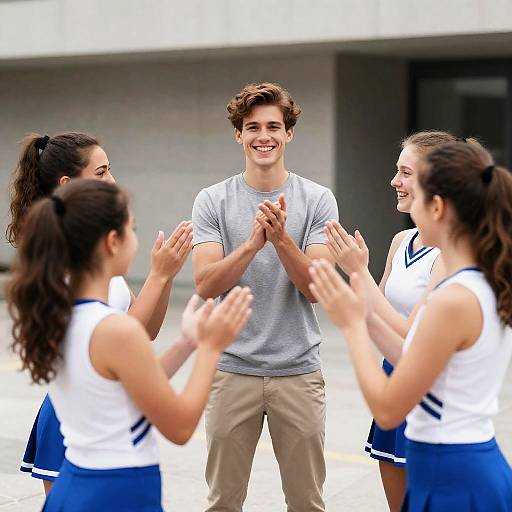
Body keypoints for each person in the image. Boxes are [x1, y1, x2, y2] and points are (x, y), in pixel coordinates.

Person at [8, 179, 253, 511]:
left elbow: (127, 384)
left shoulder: (60, 315)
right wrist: (211, 349)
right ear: (112, 242)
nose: (136, 240)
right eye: (132, 229)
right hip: (116, 492)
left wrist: (187, 343)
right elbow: (180, 427)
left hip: (76, 485)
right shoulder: (115, 330)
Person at [310, 141, 512, 511]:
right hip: (455, 466)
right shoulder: (473, 283)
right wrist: (359, 312)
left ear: (437, 207)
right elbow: (409, 354)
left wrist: (354, 326)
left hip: (455, 473)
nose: (404, 195)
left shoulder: (454, 299)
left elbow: (388, 409)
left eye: (415, 192)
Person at [8, 132, 192, 494]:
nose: (111, 180)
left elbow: (144, 331)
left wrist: (166, 276)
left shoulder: (95, 256)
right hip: (77, 417)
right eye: (101, 172)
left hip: (106, 411)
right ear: (68, 184)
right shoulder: (65, 262)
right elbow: (113, 339)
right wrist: (158, 274)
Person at [192, 82, 338, 512]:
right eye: (252, 127)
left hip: (298, 372)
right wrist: (253, 244)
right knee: (222, 503)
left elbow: (316, 288)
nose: (264, 136)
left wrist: (281, 240)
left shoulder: (317, 199)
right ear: (238, 134)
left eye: (274, 126)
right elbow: (205, 284)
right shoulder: (212, 200)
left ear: (289, 133)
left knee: (307, 502)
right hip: (231, 371)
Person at [323, 131, 465, 510]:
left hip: (430, 390)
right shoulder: (402, 242)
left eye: (404, 172)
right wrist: (351, 279)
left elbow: (412, 336)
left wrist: (359, 273)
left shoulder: (450, 253)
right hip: (392, 377)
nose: (394, 181)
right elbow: (374, 309)